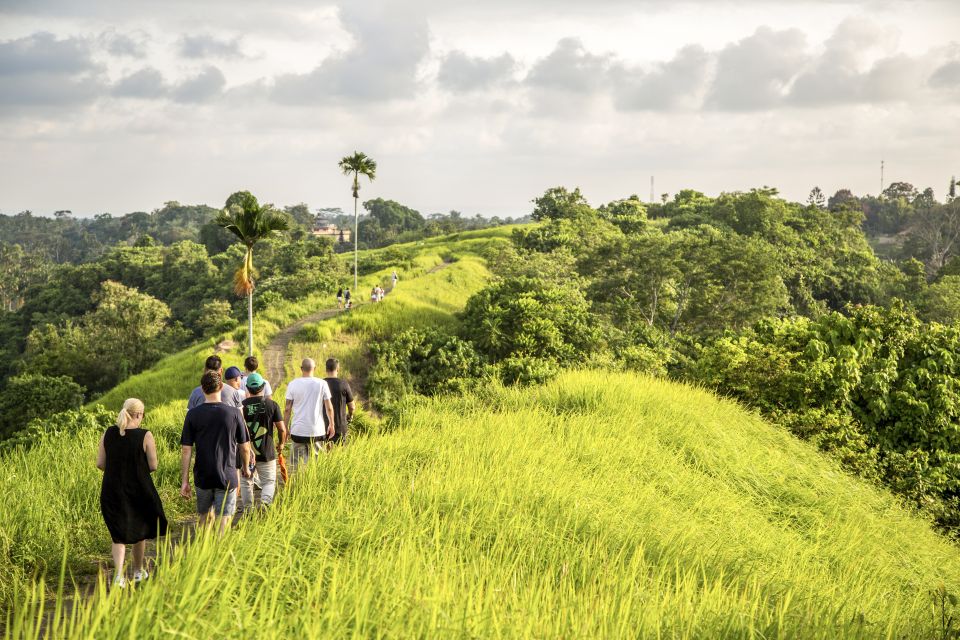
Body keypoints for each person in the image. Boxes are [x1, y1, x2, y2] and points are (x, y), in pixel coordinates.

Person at [97, 398, 168, 589]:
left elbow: (100, 464)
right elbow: (153, 465)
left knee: (118, 534)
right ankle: (137, 572)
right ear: (138, 414)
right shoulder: (145, 436)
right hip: (138, 488)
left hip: (112, 489)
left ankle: (118, 577)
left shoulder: (108, 433)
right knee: (140, 530)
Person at [180, 371, 253, 535]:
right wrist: (246, 468)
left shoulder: (193, 415)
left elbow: (186, 449)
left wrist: (185, 480)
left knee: (204, 518)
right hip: (228, 475)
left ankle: (204, 552)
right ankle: (219, 552)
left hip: (203, 475)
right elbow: (245, 446)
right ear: (221, 386)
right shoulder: (234, 413)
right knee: (224, 519)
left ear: (202, 389)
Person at [239, 373, 286, 511]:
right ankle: (265, 502)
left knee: (246, 481)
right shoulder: (272, 405)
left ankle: (248, 509)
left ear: (247, 388)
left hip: (245, 452)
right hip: (267, 451)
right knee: (269, 481)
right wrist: (281, 444)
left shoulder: (241, 407)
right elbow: (282, 429)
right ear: (263, 387)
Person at [284, 358, 335, 473]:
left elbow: (287, 409)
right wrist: (331, 424)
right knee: (316, 465)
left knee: (295, 465)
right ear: (315, 369)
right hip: (317, 431)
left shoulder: (293, 384)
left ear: (301, 369)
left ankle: (294, 488)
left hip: (298, 431)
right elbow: (329, 407)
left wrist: (285, 428)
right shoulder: (322, 383)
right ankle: (313, 487)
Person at [323, 358, 356, 446]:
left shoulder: (321, 384)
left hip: (323, 427)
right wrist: (350, 415)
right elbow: (352, 406)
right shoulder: (343, 384)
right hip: (340, 427)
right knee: (340, 454)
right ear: (338, 369)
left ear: (326, 369)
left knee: (323, 455)